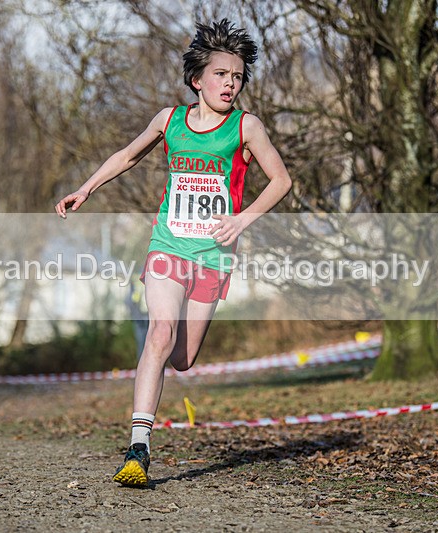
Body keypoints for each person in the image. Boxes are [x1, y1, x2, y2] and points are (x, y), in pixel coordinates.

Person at [55, 19, 292, 487]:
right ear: (197, 80)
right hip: (167, 245)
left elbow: (281, 181)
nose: (231, 83)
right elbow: (127, 155)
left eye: (238, 77)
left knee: (182, 358)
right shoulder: (170, 121)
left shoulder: (247, 127)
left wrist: (242, 219)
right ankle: (138, 449)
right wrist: (86, 188)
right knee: (159, 334)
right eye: (222, 74)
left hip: (212, 256)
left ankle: (156, 372)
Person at [126, 274, 149, 361]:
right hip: (140, 320)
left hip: (146, 318)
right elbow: (132, 303)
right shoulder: (135, 290)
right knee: (142, 344)